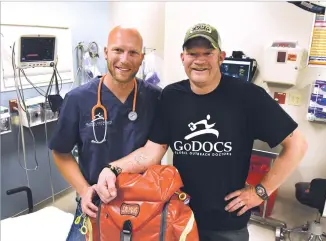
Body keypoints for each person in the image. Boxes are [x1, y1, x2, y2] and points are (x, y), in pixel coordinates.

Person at [95, 23, 308, 241]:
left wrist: (261, 192)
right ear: (182, 57)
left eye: (208, 53)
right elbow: (151, 152)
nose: (199, 60)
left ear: (221, 57)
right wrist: (112, 168)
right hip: (178, 214)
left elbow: (297, 145)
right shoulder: (172, 97)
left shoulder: (247, 97)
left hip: (227, 224)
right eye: (192, 53)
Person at [48, 25, 162, 241]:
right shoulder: (78, 99)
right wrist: (84, 190)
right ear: (105, 51)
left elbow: (157, 148)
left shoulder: (156, 98)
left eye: (133, 52)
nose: (125, 59)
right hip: (94, 202)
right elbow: (60, 152)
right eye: (118, 50)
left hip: (143, 204)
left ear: (142, 57)